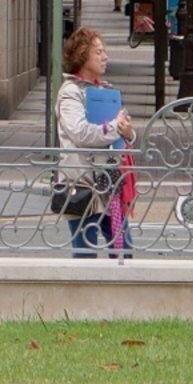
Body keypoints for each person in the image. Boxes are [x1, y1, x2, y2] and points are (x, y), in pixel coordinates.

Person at [51, 26, 131, 258]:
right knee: (85, 254)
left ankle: (117, 284)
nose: (105, 57)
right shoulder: (70, 93)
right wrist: (116, 128)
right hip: (83, 185)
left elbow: (122, 136)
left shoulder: (104, 90)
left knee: (124, 250)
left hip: (108, 184)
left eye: (104, 51)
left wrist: (128, 132)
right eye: (98, 52)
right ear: (82, 55)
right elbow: (80, 133)